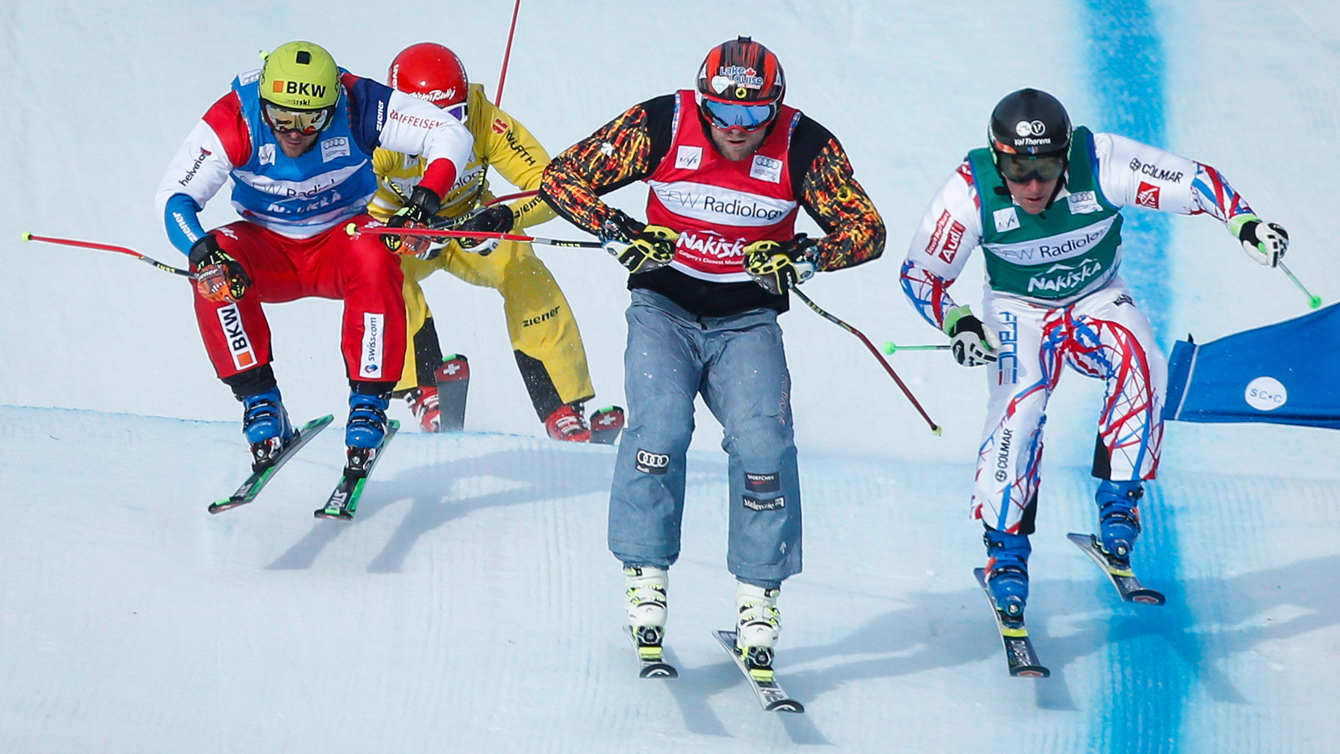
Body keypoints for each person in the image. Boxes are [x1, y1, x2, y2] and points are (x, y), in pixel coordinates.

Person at [540, 36, 885, 679]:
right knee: (660, 430)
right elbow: (562, 177)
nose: (736, 130)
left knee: (765, 444)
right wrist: (622, 230)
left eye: (754, 117)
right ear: (701, 102)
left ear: (776, 108)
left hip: (746, 318)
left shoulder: (805, 145)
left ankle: (760, 594)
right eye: (722, 114)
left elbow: (866, 229)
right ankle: (646, 577)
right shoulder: (664, 123)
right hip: (664, 309)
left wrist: (807, 254)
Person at [900, 88, 1289, 625]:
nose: (1032, 185)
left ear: (1065, 155)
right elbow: (922, 273)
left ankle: (1120, 505)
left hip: (1098, 295)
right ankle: (1005, 554)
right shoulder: (969, 191)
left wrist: (1244, 221)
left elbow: (1193, 179)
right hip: (1018, 311)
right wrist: (958, 322)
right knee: (1021, 405)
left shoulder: (1101, 161)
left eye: (1046, 167)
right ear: (996, 158)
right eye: (1017, 169)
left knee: (1142, 357)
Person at [155, 41, 473, 474]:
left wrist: (423, 204)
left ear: (335, 101)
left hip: (339, 241)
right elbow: (174, 196)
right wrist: (200, 251)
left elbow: (451, 134)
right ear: (263, 102)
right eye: (281, 116)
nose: (294, 131)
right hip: (265, 250)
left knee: (375, 249)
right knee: (214, 263)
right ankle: (260, 403)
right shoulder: (236, 117)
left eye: (312, 118)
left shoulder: (360, 102)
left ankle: (369, 405)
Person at [368, 42, 609, 441]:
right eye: (431, 121)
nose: (448, 131)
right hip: (405, 239)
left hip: (467, 226)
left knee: (524, 268)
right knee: (379, 273)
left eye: (457, 116)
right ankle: (423, 389)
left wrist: (505, 217)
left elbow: (550, 187)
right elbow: (345, 214)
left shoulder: (484, 120)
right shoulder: (377, 135)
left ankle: (562, 406)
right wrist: (397, 234)